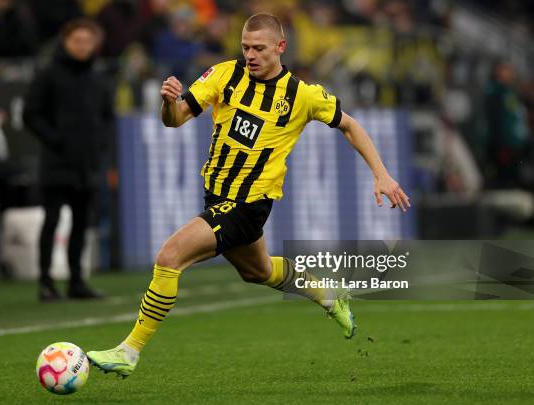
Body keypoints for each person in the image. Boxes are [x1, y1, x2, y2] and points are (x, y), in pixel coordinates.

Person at [87, 13, 410, 377]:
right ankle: (328, 293)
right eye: (245, 47)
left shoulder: (301, 95)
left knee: (170, 256)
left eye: (259, 48)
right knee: (259, 271)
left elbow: (350, 125)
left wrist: (381, 175)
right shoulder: (225, 74)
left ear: (280, 48)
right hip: (217, 198)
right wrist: (168, 102)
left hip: (249, 204)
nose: (251, 55)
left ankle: (129, 351)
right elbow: (175, 119)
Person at [23, 18, 114, 302]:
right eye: (78, 41)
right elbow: (31, 114)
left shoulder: (97, 78)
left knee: (80, 222)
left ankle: (77, 281)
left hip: (86, 165)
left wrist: (99, 146)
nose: (83, 46)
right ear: (66, 42)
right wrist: (56, 141)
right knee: (51, 220)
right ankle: (46, 282)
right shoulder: (49, 74)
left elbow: (107, 118)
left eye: (88, 41)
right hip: (57, 163)